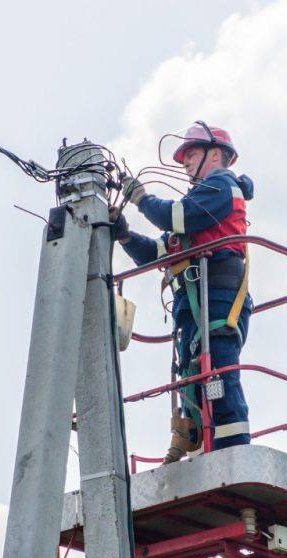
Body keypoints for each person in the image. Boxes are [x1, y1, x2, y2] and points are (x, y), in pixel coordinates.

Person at [111, 122, 254, 463]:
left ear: (216, 154)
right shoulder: (198, 211)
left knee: (217, 370)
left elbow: (174, 216)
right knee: (194, 375)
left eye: (191, 154)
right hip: (193, 305)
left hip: (217, 296)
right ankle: (200, 443)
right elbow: (157, 252)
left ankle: (233, 452)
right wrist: (125, 234)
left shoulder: (221, 187)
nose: (185, 162)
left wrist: (140, 196)